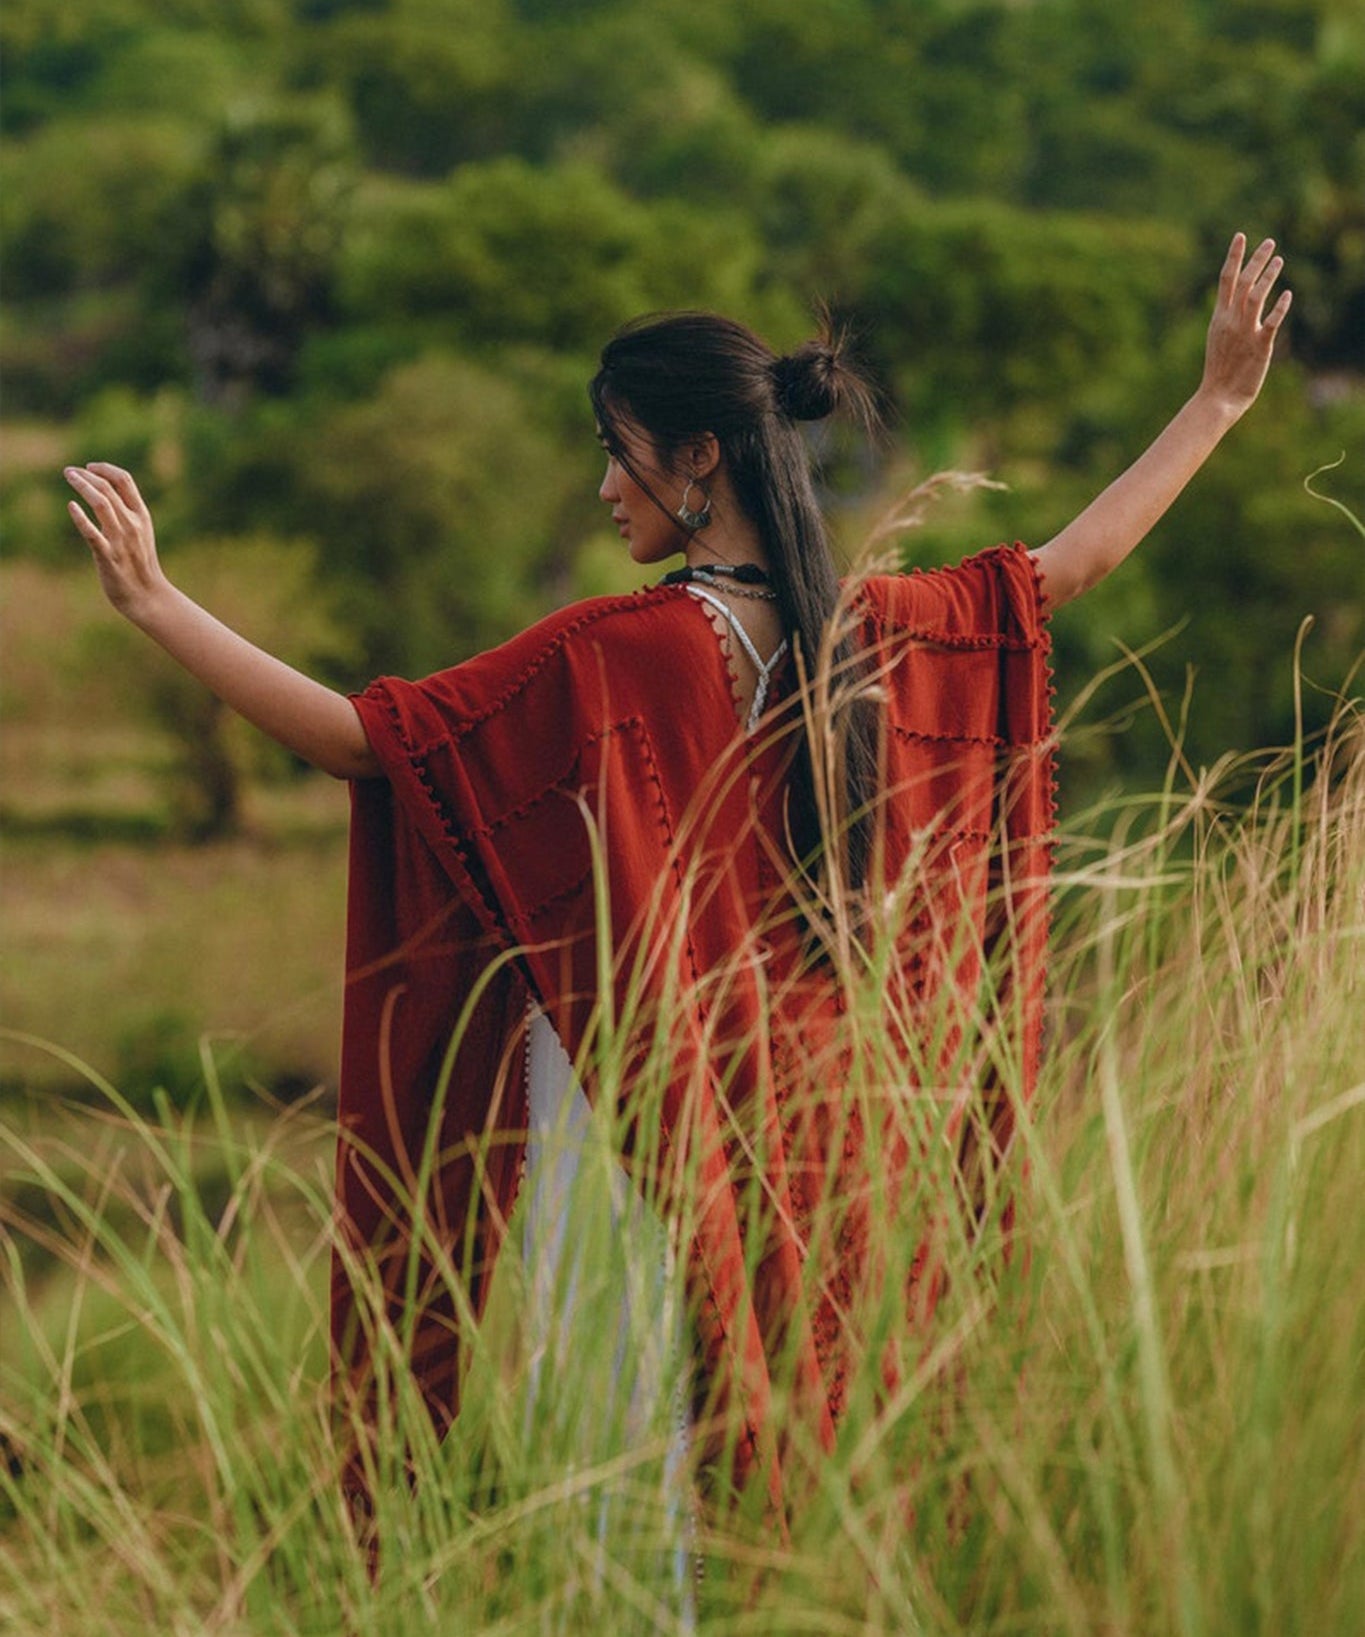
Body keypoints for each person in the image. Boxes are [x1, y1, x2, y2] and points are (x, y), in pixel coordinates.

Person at [64, 233, 1290, 1527]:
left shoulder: (615, 652)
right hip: (838, 1142)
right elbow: (1065, 567)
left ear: (698, 454)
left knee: (634, 1517)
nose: (604, 485)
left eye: (617, 445)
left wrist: (156, 602)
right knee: (807, 1496)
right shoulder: (878, 631)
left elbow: (365, 742)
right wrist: (1212, 400)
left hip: (643, 1149)